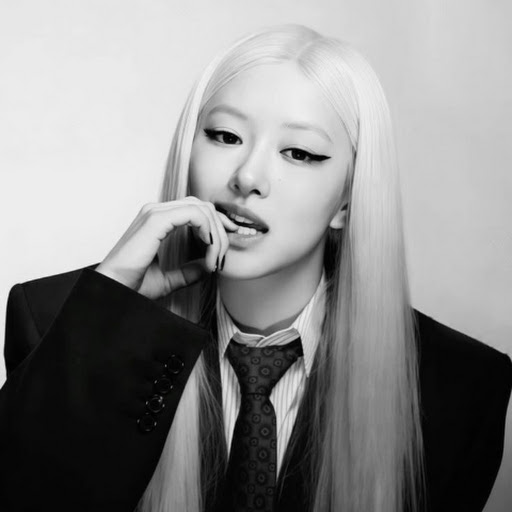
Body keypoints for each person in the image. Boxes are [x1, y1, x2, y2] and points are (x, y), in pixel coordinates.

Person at [0, 23, 511, 512]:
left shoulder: (462, 388)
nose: (247, 177)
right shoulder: (55, 321)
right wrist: (106, 309)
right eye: (225, 136)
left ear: (348, 201)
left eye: (299, 152)